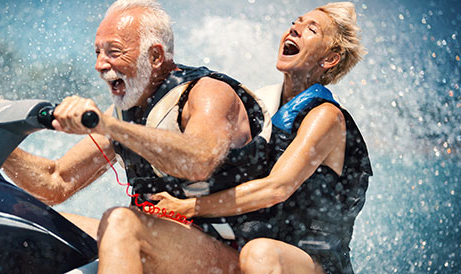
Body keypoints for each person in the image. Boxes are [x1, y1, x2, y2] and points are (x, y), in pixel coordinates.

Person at [3, 0, 274, 272]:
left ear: (155, 56)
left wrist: (107, 126)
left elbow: (198, 160)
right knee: (27, 223)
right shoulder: (123, 115)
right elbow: (56, 181)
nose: (99, 65)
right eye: (97, 52)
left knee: (122, 221)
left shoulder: (208, 93)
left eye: (113, 52)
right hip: (157, 240)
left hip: (225, 254)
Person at [153, 2, 373, 274]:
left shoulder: (327, 117)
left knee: (259, 252)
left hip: (316, 263)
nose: (295, 29)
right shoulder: (266, 107)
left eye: (311, 29)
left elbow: (277, 188)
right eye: (296, 22)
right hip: (255, 249)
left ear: (329, 59)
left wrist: (188, 206)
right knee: (160, 234)